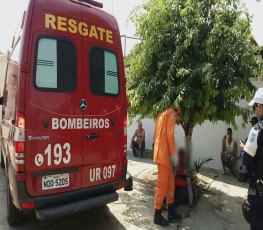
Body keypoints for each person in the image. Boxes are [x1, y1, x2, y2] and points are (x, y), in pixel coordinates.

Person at [153, 107, 182, 226]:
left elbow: (156, 135)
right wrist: (175, 154)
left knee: (170, 185)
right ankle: (157, 215)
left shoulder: (161, 113)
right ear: (178, 110)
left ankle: (171, 212)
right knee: (162, 185)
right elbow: (170, 135)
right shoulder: (172, 114)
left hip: (163, 154)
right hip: (164, 155)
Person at [242, 88, 263, 230]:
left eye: (254, 106)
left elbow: (246, 160)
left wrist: (244, 148)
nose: (253, 109)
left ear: (260, 106)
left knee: (256, 222)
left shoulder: (256, 130)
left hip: (259, 190)